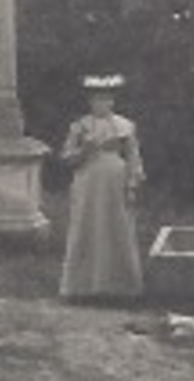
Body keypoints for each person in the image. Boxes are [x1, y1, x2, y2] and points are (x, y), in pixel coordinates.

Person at [58, 74, 145, 301]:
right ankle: (82, 287)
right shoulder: (80, 126)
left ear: (113, 101)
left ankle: (120, 288)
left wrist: (132, 184)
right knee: (88, 226)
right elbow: (67, 158)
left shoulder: (125, 126)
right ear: (90, 101)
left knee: (117, 227)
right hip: (88, 180)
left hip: (115, 179)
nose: (102, 104)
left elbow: (134, 157)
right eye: (97, 99)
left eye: (106, 99)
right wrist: (84, 150)